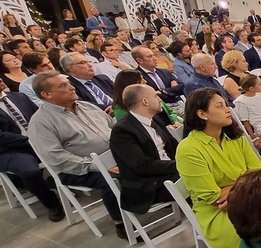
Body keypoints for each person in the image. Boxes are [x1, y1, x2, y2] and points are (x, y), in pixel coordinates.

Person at [27, 71, 127, 238]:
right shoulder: (41, 122)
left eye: (68, 83)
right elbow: (56, 158)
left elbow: (114, 127)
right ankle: (121, 224)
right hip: (78, 168)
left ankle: (152, 198)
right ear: (47, 94)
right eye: (63, 86)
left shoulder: (87, 106)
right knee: (112, 180)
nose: (71, 87)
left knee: (146, 160)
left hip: (114, 156)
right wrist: (98, 165)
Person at [175, 88, 261, 248]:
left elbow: (260, 173)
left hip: (247, 198)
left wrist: (234, 188)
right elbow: (214, 198)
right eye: (220, 106)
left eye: (226, 105)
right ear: (202, 114)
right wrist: (248, 181)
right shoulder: (188, 149)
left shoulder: (236, 137)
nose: (228, 110)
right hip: (218, 213)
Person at [0, 67, 65, 221]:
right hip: (9, 150)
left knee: (76, 144)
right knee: (30, 171)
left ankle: (64, 180)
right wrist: (33, 140)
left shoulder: (18, 97)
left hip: (38, 140)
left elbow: (42, 116)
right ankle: (53, 204)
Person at [109, 84, 179, 214]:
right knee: (200, 178)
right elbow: (143, 166)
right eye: (155, 96)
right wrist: (181, 165)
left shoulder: (155, 119)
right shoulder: (122, 131)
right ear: (145, 101)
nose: (159, 99)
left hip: (169, 172)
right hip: (148, 185)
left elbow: (174, 146)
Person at [111, 69, 180, 126]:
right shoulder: (121, 109)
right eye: (141, 80)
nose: (145, 81)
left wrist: (175, 121)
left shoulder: (150, 94)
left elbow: (170, 111)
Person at [233, 73, 261, 150]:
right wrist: (253, 137)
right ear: (251, 88)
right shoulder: (241, 101)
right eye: (259, 84)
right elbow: (245, 121)